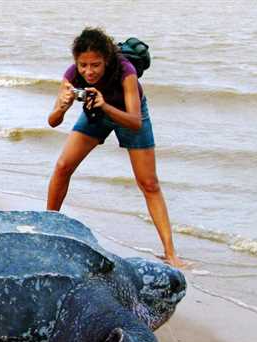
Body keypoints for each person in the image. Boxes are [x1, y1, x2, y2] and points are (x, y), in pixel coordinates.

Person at [46, 27, 186, 268]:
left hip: (128, 114)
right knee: (62, 166)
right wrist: (63, 107)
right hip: (95, 113)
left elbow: (135, 121)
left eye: (95, 65)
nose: (88, 72)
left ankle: (171, 254)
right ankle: (47, 230)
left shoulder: (125, 71)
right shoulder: (71, 75)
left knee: (149, 184)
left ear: (107, 61)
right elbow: (52, 121)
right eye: (83, 65)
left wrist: (105, 106)